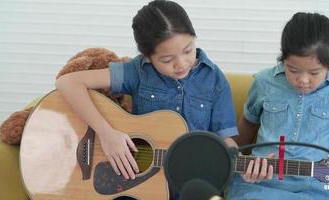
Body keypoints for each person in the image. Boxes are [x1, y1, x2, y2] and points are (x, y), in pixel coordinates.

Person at [55, 0, 239, 182]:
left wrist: (241, 164)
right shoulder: (138, 71)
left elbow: (226, 141)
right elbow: (68, 82)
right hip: (136, 180)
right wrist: (106, 134)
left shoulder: (215, 80)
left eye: (187, 50)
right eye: (167, 60)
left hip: (190, 182)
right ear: (148, 57)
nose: (181, 63)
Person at [227, 12, 329, 200]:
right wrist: (236, 162)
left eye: (314, 72)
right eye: (292, 70)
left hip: (314, 186)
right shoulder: (264, 82)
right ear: (282, 58)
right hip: (259, 182)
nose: (302, 80)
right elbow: (246, 128)